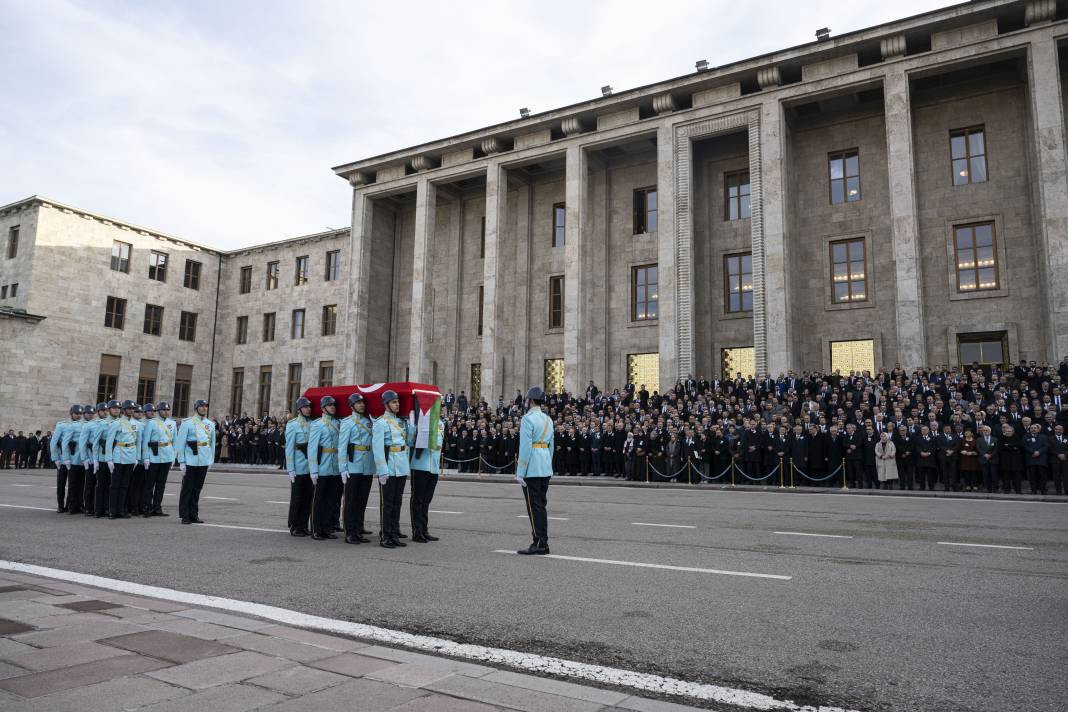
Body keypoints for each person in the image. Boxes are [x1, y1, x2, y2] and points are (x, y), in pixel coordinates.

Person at [372, 390, 414, 548]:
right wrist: (382, 470)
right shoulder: (380, 423)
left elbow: (409, 442)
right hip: (388, 467)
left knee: (397, 502)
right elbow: (377, 449)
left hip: (401, 466)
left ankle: (394, 533)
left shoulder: (402, 422)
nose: (397, 404)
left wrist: (411, 425)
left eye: (398, 402)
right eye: (394, 402)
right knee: (388, 503)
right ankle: (386, 535)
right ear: (386, 404)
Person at [515, 386, 554, 555]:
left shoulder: (527, 419)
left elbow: (525, 447)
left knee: (533, 507)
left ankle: (538, 542)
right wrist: (548, 464)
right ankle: (543, 542)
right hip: (545, 465)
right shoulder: (548, 419)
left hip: (532, 467)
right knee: (541, 505)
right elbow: (551, 446)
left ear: (530, 401)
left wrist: (520, 471)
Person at [339, 393, 375, 544]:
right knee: (351, 500)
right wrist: (343, 468)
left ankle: (358, 529)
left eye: (363, 403)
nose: (362, 405)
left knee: (362, 500)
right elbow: (342, 446)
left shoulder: (368, 421)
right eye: (358, 403)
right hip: (353, 466)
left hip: (367, 466)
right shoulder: (347, 422)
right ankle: (350, 532)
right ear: (352, 406)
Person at [176, 399, 216, 524]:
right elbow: (180, 443)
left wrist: (210, 460)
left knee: (197, 489)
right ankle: (185, 515)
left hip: (203, 459)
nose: (204, 408)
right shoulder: (187, 423)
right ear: (196, 408)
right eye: (202, 406)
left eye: (206, 406)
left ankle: (194, 514)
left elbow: (212, 444)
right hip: (190, 460)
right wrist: (181, 462)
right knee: (187, 488)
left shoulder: (210, 424)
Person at [308, 395, 343, 540]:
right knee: (319, 500)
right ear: (323, 408)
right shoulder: (317, 424)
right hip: (322, 466)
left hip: (335, 467)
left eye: (334, 405)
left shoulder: (338, 423)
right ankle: (316, 529)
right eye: (329, 405)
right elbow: (312, 448)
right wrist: (314, 470)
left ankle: (327, 528)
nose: (333, 407)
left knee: (331, 499)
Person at [409, 409, 444, 543]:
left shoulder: (441, 423)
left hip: (433, 467)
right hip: (420, 465)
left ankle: (424, 530)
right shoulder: (420, 423)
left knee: (426, 501)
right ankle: (417, 532)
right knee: (418, 500)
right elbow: (411, 442)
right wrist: (413, 426)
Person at [140, 401, 176, 517]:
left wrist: (173, 457)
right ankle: (147, 507)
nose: (166, 412)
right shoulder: (152, 423)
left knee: (161, 484)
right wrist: (145, 457)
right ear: (159, 411)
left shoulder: (172, 423)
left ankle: (157, 507)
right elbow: (146, 441)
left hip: (167, 456)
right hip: (154, 456)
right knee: (149, 484)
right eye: (163, 410)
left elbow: (174, 441)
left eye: (167, 410)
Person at [104, 400, 139, 519]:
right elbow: (109, 442)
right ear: (124, 410)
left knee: (125, 485)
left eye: (133, 409)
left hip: (131, 456)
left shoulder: (136, 423)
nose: (131, 411)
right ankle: (113, 511)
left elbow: (137, 442)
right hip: (119, 456)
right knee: (115, 486)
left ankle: (122, 510)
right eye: (129, 408)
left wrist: (136, 458)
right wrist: (109, 459)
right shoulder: (117, 423)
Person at [285, 397, 313, 537]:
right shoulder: (293, 425)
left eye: (309, 407)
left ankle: (303, 524)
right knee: (297, 498)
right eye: (305, 407)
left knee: (308, 498)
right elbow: (289, 448)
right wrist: (290, 469)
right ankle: (294, 525)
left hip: (311, 467)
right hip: (299, 467)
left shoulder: (313, 423)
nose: (308, 409)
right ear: (299, 409)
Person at [50, 405, 79, 512]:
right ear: (71, 413)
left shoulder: (81, 425)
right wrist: (55, 458)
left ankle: (69, 504)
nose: (79, 416)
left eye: (80, 414)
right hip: (62, 459)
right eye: (76, 413)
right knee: (61, 483)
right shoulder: (62, 425)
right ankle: (60, 505)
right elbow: (54, 442)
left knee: (73, 484)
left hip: (74, 459)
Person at [82, 403, 107, 516]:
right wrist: (85, 459)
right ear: (98, 412)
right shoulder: (91, 425)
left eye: (106, 410)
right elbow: (83, 443)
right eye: (102, 411)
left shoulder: (110, 424)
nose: (105, 412)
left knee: (103, 484)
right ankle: (88, 507)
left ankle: (101, 507)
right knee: (90, 484)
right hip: (92, 459)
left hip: (105, 459)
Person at [1022, 423, 1048, 495]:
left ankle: (1043, 490)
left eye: (1035, 428)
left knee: (1042, 476)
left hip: (1041, 459)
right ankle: (1034, 490)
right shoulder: (1026, 437)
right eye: (1031, 428)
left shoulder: (1044, 437)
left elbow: (1046, 446)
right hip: (1031, 459)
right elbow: (1025, 446)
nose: (1033, 429)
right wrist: (1033, 452)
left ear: (1038, 429)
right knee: (1032, 476)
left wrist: (1039, 452)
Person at [976, 424, 999, 494]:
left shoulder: (995, 439)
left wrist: (991, 455)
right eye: (984, 430)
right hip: (983, 459)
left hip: (993, 459)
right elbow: (978, 448)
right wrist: (984, 454)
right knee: (985, 474)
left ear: (990, 431)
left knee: (994, 474)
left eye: (987, 430)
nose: (985, 431)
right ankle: (988, 488)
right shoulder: (979, 439)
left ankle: (995, 488)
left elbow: (996, 449)